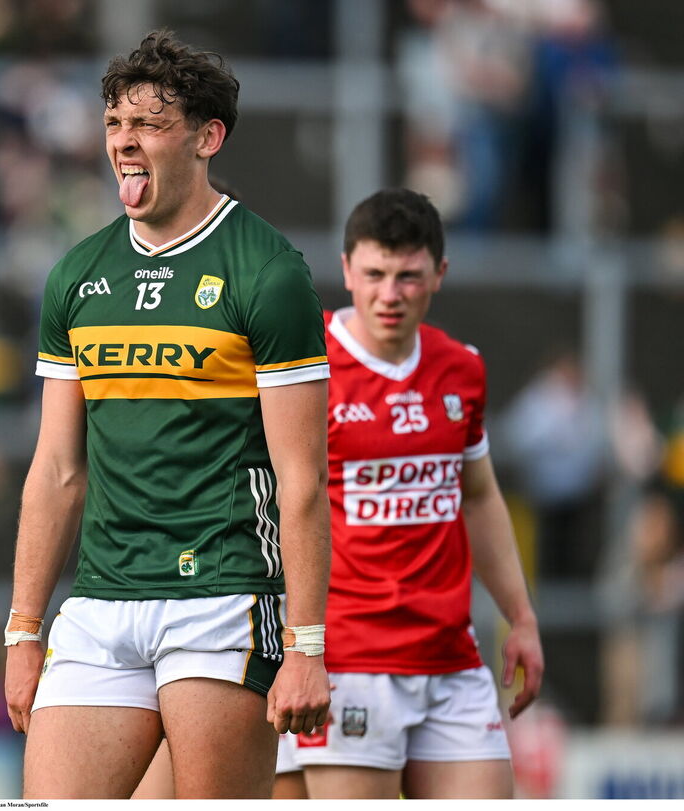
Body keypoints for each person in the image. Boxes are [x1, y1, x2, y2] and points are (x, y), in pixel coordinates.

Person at [4, 30, 332, 799]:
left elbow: (302, 478)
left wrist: (306, 643)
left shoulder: (269, 273)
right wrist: (24, 629)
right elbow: (57, 468)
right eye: (116, 123)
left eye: (149, 124)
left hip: (221, 595)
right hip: (101, 600)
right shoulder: (79, 276)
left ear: (207, 138)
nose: (125, 141)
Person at [271, 188, 544, 799]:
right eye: (373, 274)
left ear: (439, 275)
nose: (389, 295)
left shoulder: (462, 368)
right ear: (345, 270)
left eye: (408, 277)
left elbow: (478, 496)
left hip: (451, 657)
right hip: (346, 658)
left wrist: (520, 618)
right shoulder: (302, 364)